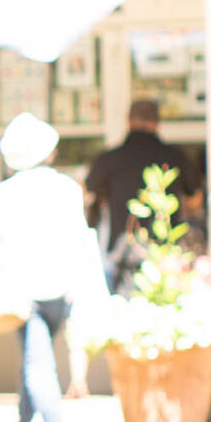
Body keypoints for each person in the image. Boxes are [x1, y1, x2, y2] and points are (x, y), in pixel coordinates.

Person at [0, 113, 107, 422]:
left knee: (37, 362)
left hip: (22, 290)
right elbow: (80, 238)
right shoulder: (67, 189)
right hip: (61, 287)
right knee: (37, 358)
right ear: (48, 151)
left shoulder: (2, 194)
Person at [85, 99, 198, 290]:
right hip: (166, 256)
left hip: (123, 254)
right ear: (157, 123)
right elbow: (195, 198)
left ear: (128, 121)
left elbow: (88, 193)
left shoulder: (109, 159)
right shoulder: (175, 157)